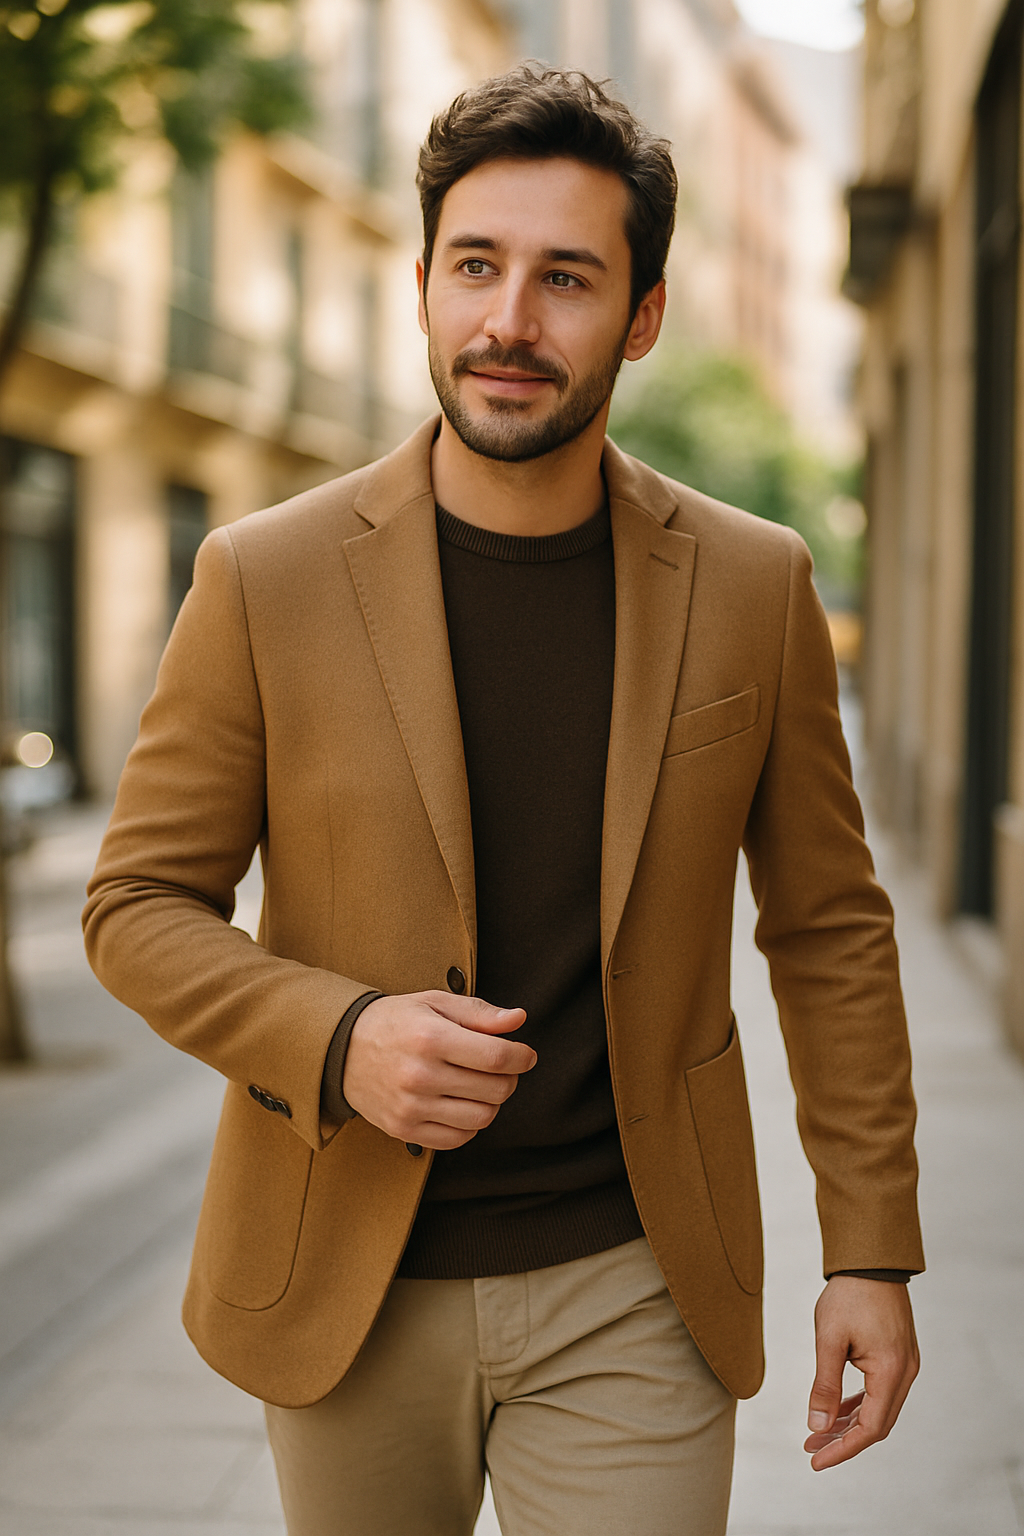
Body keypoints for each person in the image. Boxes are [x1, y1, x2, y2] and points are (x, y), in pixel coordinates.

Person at [84, 65, 923, 1536]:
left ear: (643, 317)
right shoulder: (261, 577)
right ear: (420, 285)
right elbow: (137, 908)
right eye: (476, 267)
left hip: (638, 1279)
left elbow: (831, 930)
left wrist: (872, 1251)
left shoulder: (755, 583)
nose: (510, 324)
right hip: (347, 1274)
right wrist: (339, 1038)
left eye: (567, 279)